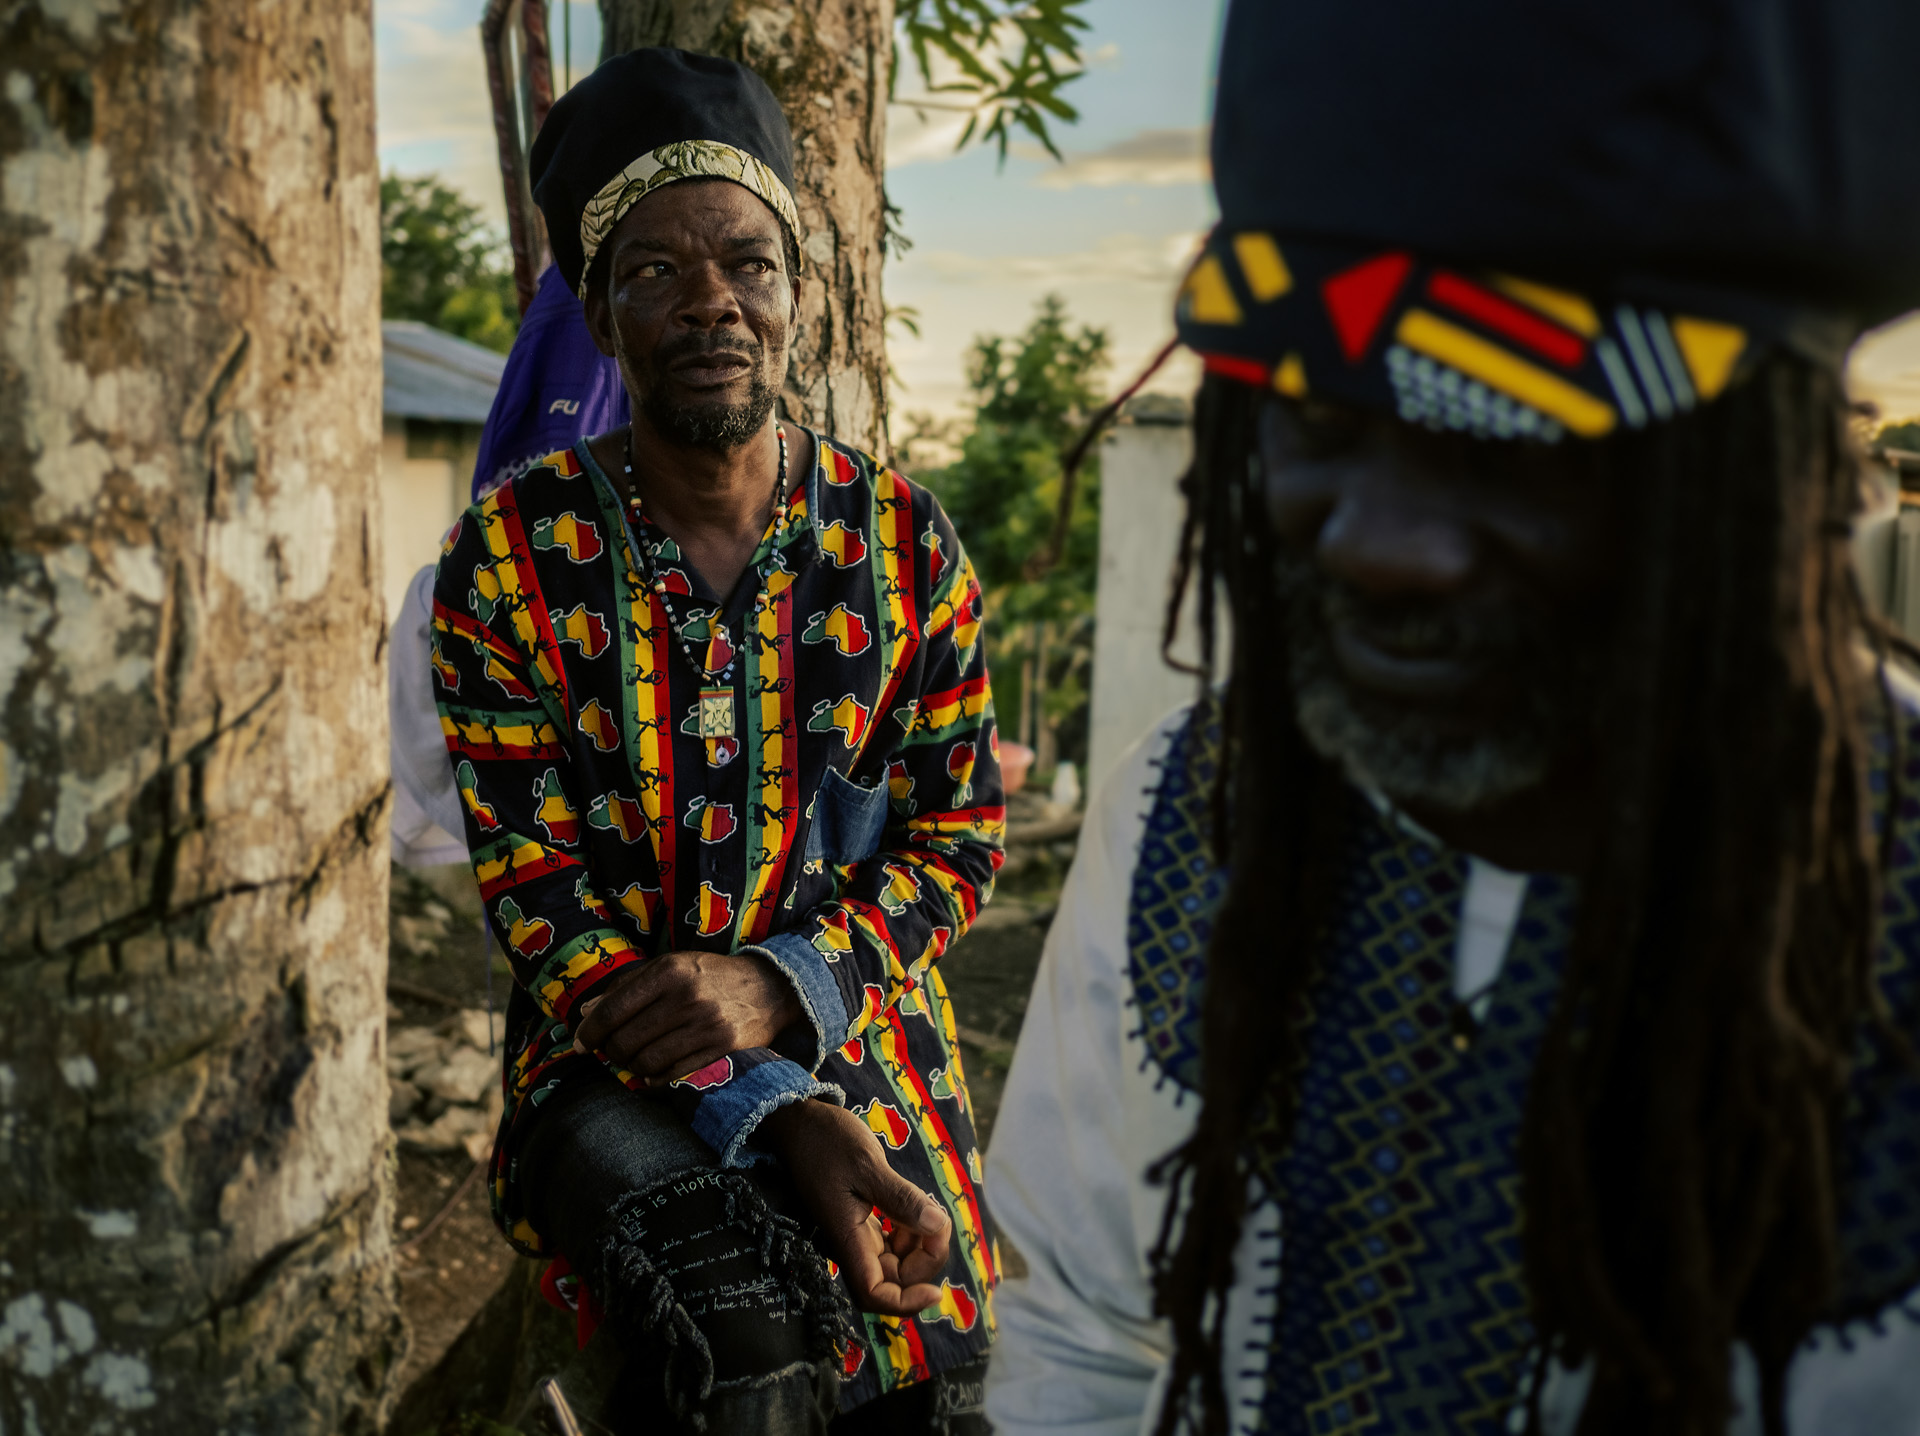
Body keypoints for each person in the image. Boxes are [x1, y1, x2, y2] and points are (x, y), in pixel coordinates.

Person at [984, 2, 1920, 1433]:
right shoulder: (1192, 811)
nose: (1381, 540)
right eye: (1319, 413)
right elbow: (1082, 1333)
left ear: (1771, 482)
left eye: (1511, 428)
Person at [431, 48, 1002, 1434]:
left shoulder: (901, 543)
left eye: (749, 263)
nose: (712, 302)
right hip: (606, 1059)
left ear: (802, 294)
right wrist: (762, 1099)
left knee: (935, 1367)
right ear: (597, 308)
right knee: (739, 1338)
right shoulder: (510, 561)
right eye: (655, 270)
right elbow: (540, 905)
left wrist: (782, 984)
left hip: (868, 1032)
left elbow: (962, 836)